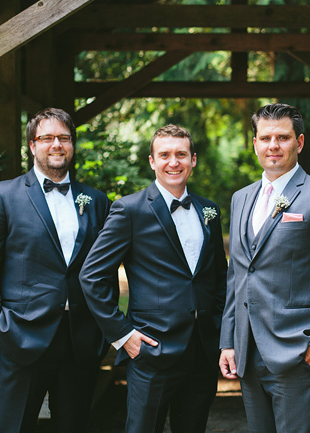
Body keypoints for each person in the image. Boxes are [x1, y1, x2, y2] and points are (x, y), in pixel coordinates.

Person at [0, 108, 114, 433]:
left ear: (72, 144)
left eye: (63, 137)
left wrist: (102, 331)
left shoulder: (95, 200)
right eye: (47, 138)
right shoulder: (3, 196)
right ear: (33, 145)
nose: (56, 144)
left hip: (79, 340)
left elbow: (104, 269)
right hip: (20, 336)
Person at [219, 103, 310, 433]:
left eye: (283, 137)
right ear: (254, 143)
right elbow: (237, 276)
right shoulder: (242, 198)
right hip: (248, 350)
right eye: (265, 138)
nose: (273, 146)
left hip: (298, 351)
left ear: (300, 142)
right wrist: (228, 341)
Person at [80, 124, 227, 433]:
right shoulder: (130, 210)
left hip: (201, 352)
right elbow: (92, 275)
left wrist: (217, 327)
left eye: (181, 155)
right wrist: (122, 335)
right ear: (151, 161)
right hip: (151, 351)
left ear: (193, 159)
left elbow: (219, 278)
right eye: (165, 155)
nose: (173, 162)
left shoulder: (209, 211)